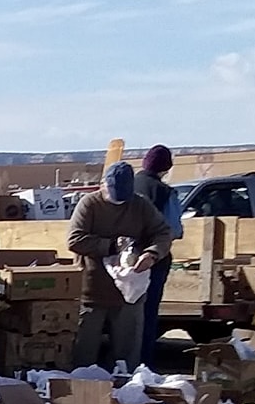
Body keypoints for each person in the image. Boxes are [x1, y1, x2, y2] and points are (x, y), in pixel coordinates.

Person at [68, 161, 172, 372]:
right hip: (92, 290)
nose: (118, 201)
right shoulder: (89, 205)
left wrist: (151, 254)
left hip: (129, 292)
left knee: (126, 357)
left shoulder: (140, 205)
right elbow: (75, 240)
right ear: (104, 184)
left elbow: (163, 232)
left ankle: (126, 396)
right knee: (83, 354)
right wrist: (110, 245)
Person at [134, 145, 181, 355]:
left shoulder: (128, 186)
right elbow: (174, 229)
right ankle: (144, 362)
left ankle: (122, 361)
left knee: (124, 315)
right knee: (148, 313)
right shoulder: (164, 192)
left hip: (123, 259)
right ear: (165, 168)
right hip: (155, 259)